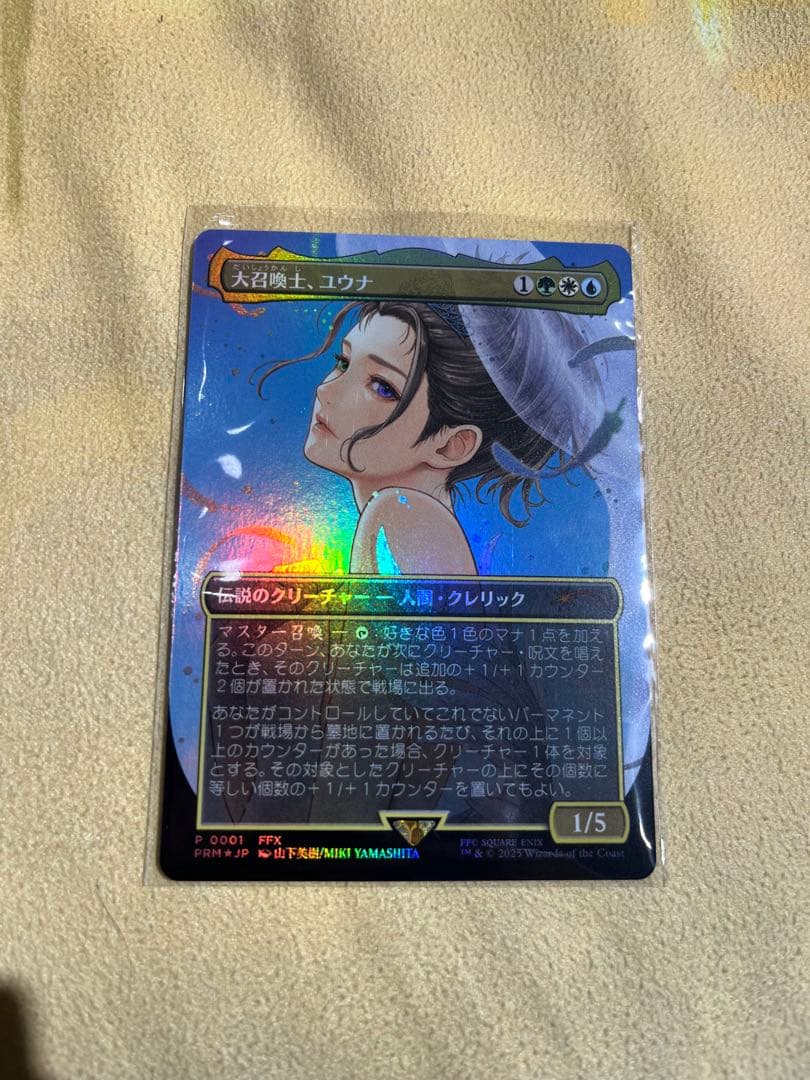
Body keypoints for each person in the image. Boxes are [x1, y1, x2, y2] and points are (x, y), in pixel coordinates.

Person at [251, 298, 597, 576]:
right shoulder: (418, 521)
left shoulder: (399, 511)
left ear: (450, 445)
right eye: (343, 362)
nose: (325, 390)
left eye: (382, 387)